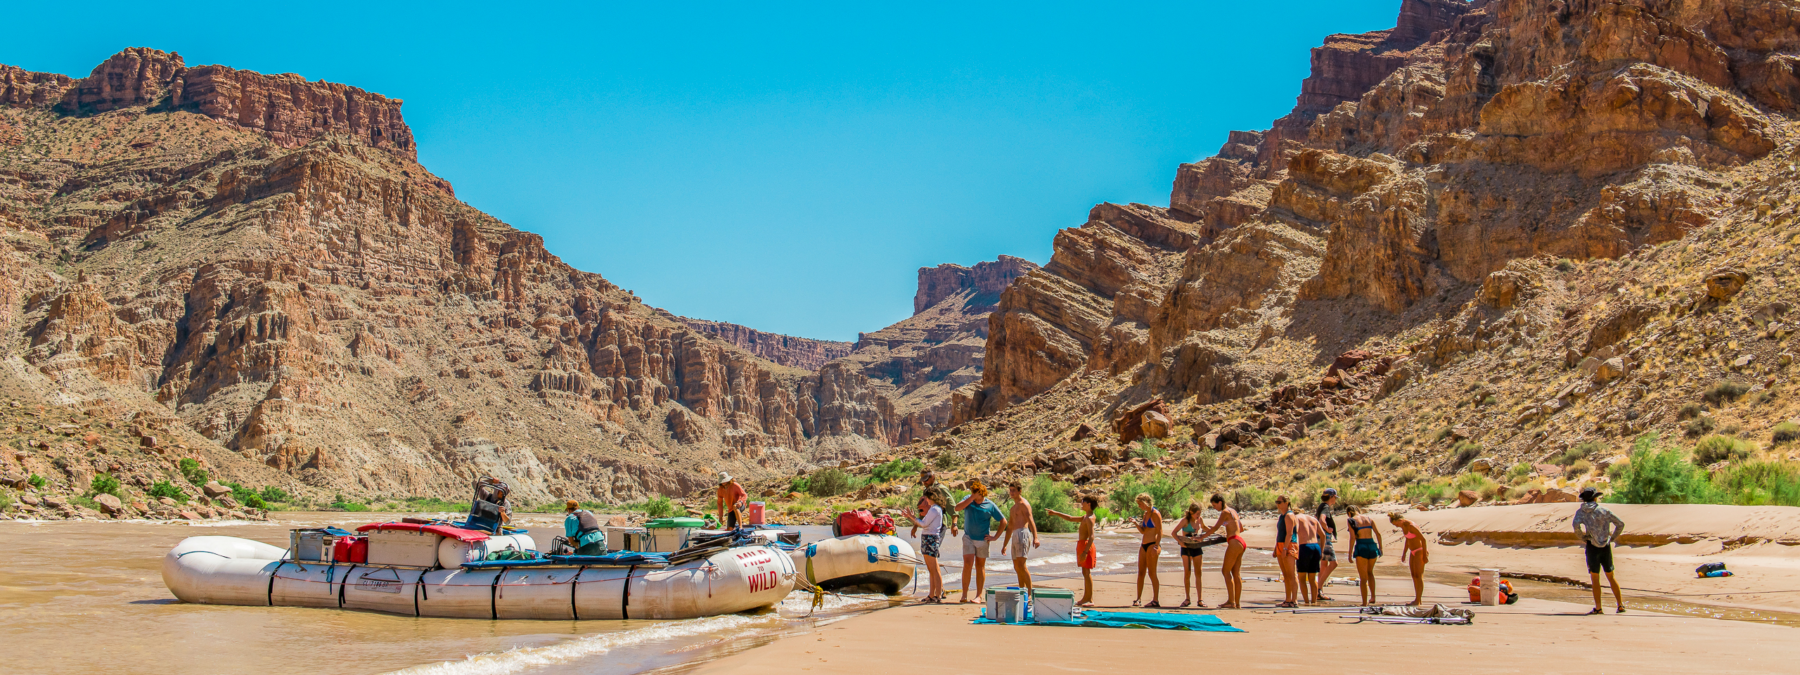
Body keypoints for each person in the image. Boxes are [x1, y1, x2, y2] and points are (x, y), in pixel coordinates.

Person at [1573, 486, 1627, 615]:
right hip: (1605, 546)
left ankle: (1598, 607)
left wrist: (1583, 537)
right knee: (1611, 576)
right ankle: (1620, 605)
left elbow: (1576, 526)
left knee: (1595, 578)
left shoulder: (1581, 512)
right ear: (1595, 498)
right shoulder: (1604, 510)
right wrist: (1612, 537)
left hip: (1592, 546)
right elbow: (1620, 524)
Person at [953, 481, 1008, 603]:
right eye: (972, 491)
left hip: (982, 540)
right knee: (967, 564)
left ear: (981, 493)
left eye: (975, 492)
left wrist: (995, 537)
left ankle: (979, 596)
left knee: (980, 566)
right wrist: (972, 497)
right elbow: (957, 508)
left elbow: (1003, 521)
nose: (972, 493)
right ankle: (964, 595)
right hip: (968, 537)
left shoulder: (990, 505)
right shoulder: (968, 499)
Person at [1046, 495, 1099, 607]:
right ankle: (1086, 597)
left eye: (1083, 502)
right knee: (1084, 572)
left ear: (1088, 504)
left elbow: (1092, 537)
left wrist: (1085, 552)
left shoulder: (1089, 518)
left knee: (1087, 572)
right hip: (1082, 544)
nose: (1081, 503)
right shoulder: (1086, 516)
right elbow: (1070, 518)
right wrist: (1055, 513)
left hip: (1086, 546)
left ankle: (1090, 600)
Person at [1206, 494, 1247, 609]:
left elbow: (1215, 528)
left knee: (1225, 571)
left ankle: (1231, 601)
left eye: (1215, 505)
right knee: (1236, 573)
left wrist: (1201, 537)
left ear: (1220, 502)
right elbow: (1241, 528)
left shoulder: (1225, 512)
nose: (1215, 508)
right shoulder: (1233, 511)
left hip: (1234, 542)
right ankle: (1236, 603)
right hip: (1241, 542)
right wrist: (1228, 532)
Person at [907, 492, 947, 603]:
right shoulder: (934, 509)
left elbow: (924, 524)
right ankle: (932, 594)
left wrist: (912, 517)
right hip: (928, 538)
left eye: (927, 498)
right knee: (931, 569)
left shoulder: (935, 509)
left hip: (931, 538)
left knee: (933, 568)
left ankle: (937, 595)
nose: (926, 501)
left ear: (932, 498)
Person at [1001, 481, 1040, 590]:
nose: (1012, 492)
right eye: (1010, 490)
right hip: (1015, 535)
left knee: (1022, 565)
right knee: (1017, 566)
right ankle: (1022, 591)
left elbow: (1031, 520)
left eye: (1014, 490)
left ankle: (1029, 593)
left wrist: (1036, 537)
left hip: (1023, 533)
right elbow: (1009, 528)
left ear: (1019, 491)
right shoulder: (1013, 508)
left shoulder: (1024, 504)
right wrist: (1004, 545)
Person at [1172, 502, 1208, 608]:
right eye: (1197, 513)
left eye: (1200, 513)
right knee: (1187, 573)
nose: (1198, 515)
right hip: (1186, 549)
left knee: (1198, 573)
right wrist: (1181, 543)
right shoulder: (1185, 521)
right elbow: (1174, 533)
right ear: (1191, 512)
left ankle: (1200, 599)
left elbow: (1205, 528)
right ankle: (1187, 598)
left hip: (1197, 547)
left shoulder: (1200, 520)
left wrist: (1214, 531)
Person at [1389, 511, 1428, 606]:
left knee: (1419, 576)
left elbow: (1423, 539)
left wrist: (1425, 555)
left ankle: (1418, 600)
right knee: (1414, 575)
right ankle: (1417, 599)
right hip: (1412, 552)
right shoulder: (1403, 526)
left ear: (1399, 520)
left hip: (1419, 551)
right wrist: (1404, 553)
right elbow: (1407, 539)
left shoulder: (1411, 526)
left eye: (1396, 524)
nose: (1396, 526)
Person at [1346, 504, 1381, 606]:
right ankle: (1373, 597)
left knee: (1363, 577)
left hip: (1361, 546)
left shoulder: (1351, 520)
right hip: (1372, 546)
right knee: (1370, 572)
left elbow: (1352, 537)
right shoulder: (1369, 518)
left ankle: (1364, 602)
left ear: (1349, 513)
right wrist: (1380, 548)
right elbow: (1378, 534)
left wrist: (1349, 553)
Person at [1132, 493, 1163, 607]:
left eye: (1140, 504)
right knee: (1141, 572)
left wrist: (1156, 546)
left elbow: (1160, 531)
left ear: (1145, 503)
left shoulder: (1155, 514)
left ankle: (1155, 600)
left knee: (1152, 573)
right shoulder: (1145, 514)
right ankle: (1138, 598)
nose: (1139, 506)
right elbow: (1143, 531)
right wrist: (1135, 523)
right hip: (1144, 544)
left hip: (1152, 545)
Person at [1314, 488, 1341, 600]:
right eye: (1335, 497)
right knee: (1334, 563)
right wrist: (1327, 529)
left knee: (1324, 565)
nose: (1335, 499)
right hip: (1325, 538)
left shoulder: (1322, 506)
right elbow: (1321, 520)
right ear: (1331, 497)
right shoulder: (1325, 507)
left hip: (1320, 538)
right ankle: (1318, 588)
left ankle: (1319, 591)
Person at [1274, 496, 1300, 608]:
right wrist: (1277, 548)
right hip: (1281, 544)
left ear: (1286, 502)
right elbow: (1279, 533)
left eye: (1279, 502)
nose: (1278, 504)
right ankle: (1288, 599)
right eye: (1277, 502)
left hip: (1289, 545)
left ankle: (1294, 600)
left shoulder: (1289, 515)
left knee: (1291, 574)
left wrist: (1285, 548)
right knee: (1285, 574)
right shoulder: (1282, 516)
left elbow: (1289, 533)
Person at [1294, 510, 1323, 605]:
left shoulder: (1296, 518)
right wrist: (1321, 550)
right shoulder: (1313, 519)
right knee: (1312, 577)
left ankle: (1306, 601)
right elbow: (1323, 535)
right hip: (1316, 547)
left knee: (1302, 577)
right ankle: (1314, 601)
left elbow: (1294, 532)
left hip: (1304, 547)